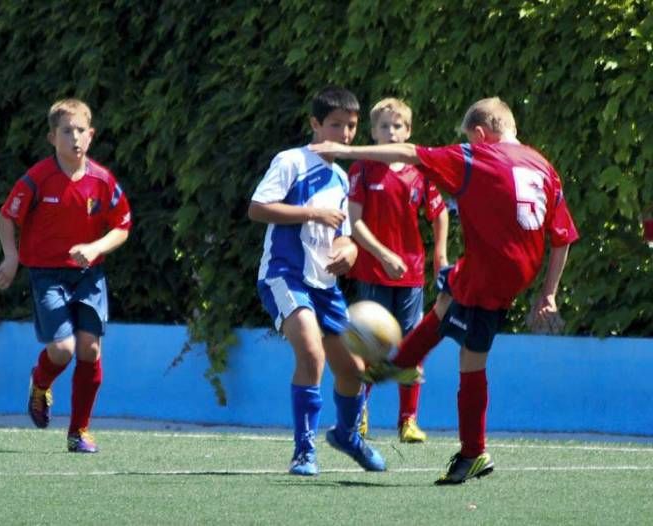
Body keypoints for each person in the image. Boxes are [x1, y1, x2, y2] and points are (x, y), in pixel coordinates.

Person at [309, 97, 579, 484]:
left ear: (481, 134)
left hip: (492, 276)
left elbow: (409, 152)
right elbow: (563, 237)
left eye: (470, 138)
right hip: (506, 269)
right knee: (447, 298)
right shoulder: (544, 167)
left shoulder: (478, 156)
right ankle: (398, 364)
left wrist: (346, 151)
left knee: (471, 362)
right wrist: (548, 293)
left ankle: (473, 452)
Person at [248, 85, 387, 476]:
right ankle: (304, 452)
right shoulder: (291, 161)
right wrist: (310, 213)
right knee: (312, 354)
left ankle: (346, 436)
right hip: (285, 275)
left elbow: (342, 232)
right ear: (315, 124)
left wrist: (351, 250)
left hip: (324, 285)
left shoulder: (342, 178)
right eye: (336, 125)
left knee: (353, 369)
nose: (344, 135)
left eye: (352, 126)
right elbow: (258, 208)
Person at [0, 98, 132, 453]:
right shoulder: (37, 179)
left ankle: (79, 431)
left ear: (91, 135)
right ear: (52, 137)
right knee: (63, 348)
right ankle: (40, 382)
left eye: (80, 131)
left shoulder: (102, 180)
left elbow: (122, 227)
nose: (74, 138)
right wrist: (11, 258)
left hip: (89, 274)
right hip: (47, 275)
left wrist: (96, 247)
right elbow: (7, 217)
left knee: (90, 348)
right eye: (66, 131)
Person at [347, 98, 449, 443]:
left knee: (412, 346)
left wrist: (440, 253)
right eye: (385, 127)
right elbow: (355, 222)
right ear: (373, 133)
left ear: (409, 131)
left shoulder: (420, 170)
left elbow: (440, 213)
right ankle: (358, 415)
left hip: (412, 274)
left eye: (399, 127)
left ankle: (408, 421)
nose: (392, 133)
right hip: (373, 272)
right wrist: (382, 254)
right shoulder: (361, 168)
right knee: (368, 345)